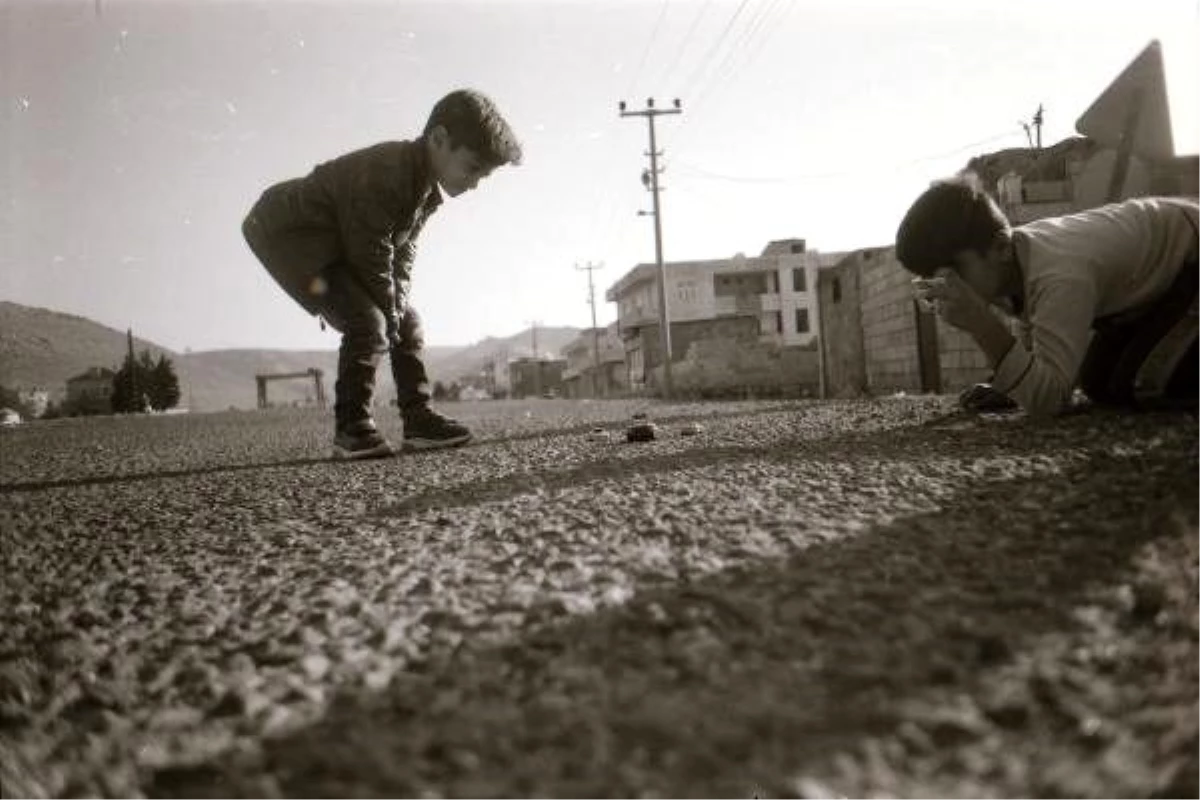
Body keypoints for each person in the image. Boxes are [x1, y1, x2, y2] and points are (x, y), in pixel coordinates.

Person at [242, 89, 522, 458]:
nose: (474, 184)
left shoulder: (424, 189)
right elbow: (369, 251)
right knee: (368, 319)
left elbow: (402, 254)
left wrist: (397, 306)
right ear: (439, 140)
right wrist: (387, 311)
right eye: (472, 168)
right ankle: (352, 428)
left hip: (338, 241)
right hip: (287, 232)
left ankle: (419, 419)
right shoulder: (388, 171)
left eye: (482, 177)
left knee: (406, 319)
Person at [895, 174, 1200, 417]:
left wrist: (982, 325)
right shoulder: (1014, 262)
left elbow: (1050, 400)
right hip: (1163, 282)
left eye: (953, 271)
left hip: (1192, 260)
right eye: (933, 277)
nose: (947, 286)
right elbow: (1038, 348)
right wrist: (1011, 384)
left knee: (1143, 383)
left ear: (1000, 248)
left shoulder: (1059, 274)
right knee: (1098, 382)